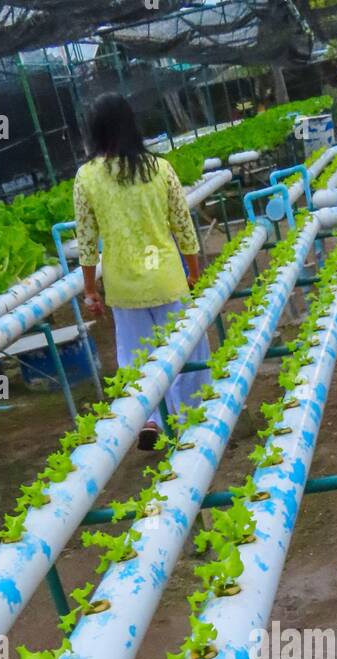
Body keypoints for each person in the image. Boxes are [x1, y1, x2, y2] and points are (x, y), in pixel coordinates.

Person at [74, 94, 211, 448]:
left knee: (136, 359)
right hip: (166, 275)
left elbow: (86, 241)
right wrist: (193, 271)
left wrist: (90, 289)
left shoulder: (86, 177)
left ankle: (150, 419)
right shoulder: (159, 168)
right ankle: (186, 421)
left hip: (123, 284)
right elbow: (183, 225)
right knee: (186, 350)